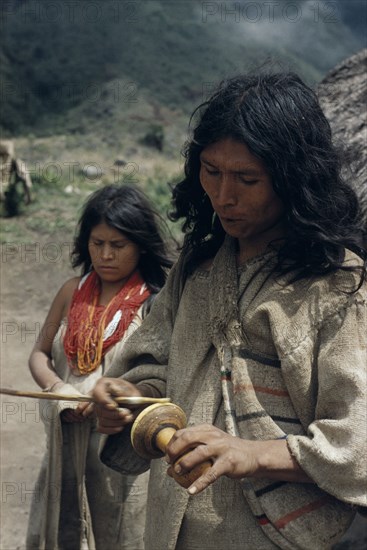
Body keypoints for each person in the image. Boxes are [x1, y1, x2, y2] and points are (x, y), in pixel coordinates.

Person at [93, 72, 367, 550]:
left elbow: (357, 441)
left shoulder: (335, 286)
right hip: (175, 528)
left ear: (293, 180)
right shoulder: (196, 267)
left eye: (247, 179)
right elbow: (157, 370)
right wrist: (129, 397)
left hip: (280, 537)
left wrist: (252, 453)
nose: (223, 196)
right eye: (211, 170)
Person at [26, 184, 173, 550]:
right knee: (63, 528)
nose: (105, 255)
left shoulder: (157, 304)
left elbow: (166, 378)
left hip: (119, 455)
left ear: (140, 245)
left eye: (118, 246)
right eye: (97, 243)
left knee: (121, 534)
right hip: (66, 444)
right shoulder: (70, 292)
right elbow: (39, 354)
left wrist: (120, 401)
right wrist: (58, 390)